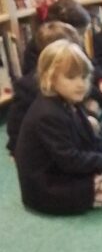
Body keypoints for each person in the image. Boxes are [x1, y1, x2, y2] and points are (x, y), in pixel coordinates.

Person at [14, 40, 102, 216]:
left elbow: (90, 138)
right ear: (50, 78)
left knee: (96, 134)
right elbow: (68, 159)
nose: (80, 84)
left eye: (84, 77)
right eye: (71, 77)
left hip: (60, 171)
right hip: (47, 190)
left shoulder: (66, 100)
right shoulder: (47, 114)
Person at [23, 0, 102, 120]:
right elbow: (46, 88)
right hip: (54, 98)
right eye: (79, 33)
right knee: (88, 112)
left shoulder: (70, 44)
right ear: (64, 31)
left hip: (70, 93)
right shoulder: (38, 50)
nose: (81, 39)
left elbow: (88, 64)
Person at [6, 21, 81, 156]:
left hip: (54, 126)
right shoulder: (29, 86)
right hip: (37, 141)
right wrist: (15, 148)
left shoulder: (64, 78)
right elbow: (14, 122)